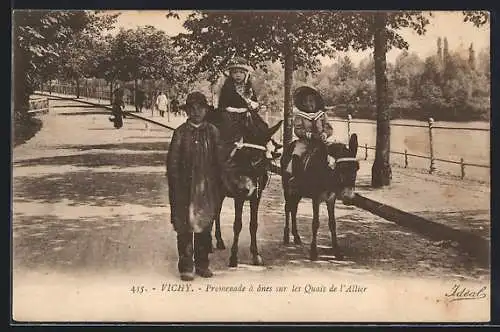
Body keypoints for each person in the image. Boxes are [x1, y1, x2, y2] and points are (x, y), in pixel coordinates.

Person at [167, 92, 226, 281]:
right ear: (187, 111)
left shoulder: (213, 132)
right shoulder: (181, 133)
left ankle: (202, 263)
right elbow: (173, 162)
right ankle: (186, 264)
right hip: (185, 186)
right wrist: (175, 185)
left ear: (206, 110)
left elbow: (220, 160)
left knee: (205, 224)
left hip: (206, 186)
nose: (196, 112)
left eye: (200, 108)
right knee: (184, 225)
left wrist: (219, 182)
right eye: (192, 109)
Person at [217, 56, 282, 150]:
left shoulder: (249, 88)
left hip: (248, 115)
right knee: (232, 129)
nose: (238, 75)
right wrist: (240, 110)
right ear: (231, 74)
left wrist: (255, 105)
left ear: (246, 74)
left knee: (263, 125)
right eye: (235, 72)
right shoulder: (228, 88)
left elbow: (254, 102)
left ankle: (268, 145)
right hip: (231, 115)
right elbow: (223, 106)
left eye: (241, 73)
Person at [284, 86, 334, 187]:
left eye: (311, 101)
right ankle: (295, 177)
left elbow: (328, 128)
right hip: (305, 141)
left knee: (333, 155)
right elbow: (298, 129)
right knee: (296, 154)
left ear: (316, 102)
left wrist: (324, 134)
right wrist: (309, 135)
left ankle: (332, 180)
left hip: (321, 140)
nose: (308, 104)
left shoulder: (322, 115)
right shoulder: (300, 116)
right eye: (305, 101)